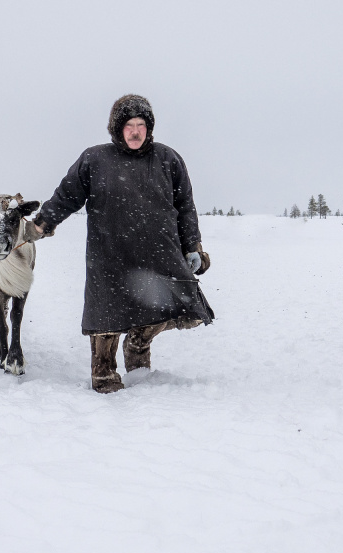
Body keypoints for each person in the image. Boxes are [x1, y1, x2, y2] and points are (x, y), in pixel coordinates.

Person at [33, 94, 214, 393]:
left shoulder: (168, 159)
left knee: (181, 304)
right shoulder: (95, 159)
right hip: (109, 253)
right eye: (128, 125)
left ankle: (138, 345)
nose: (135, 131)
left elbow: (184, 206)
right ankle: (103, 372)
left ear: (149, 128)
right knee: (107, 313)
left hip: (158, 252)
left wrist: (192, 245)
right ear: (117, 129)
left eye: (141, 124)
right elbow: (67, 195)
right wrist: (43, 223)